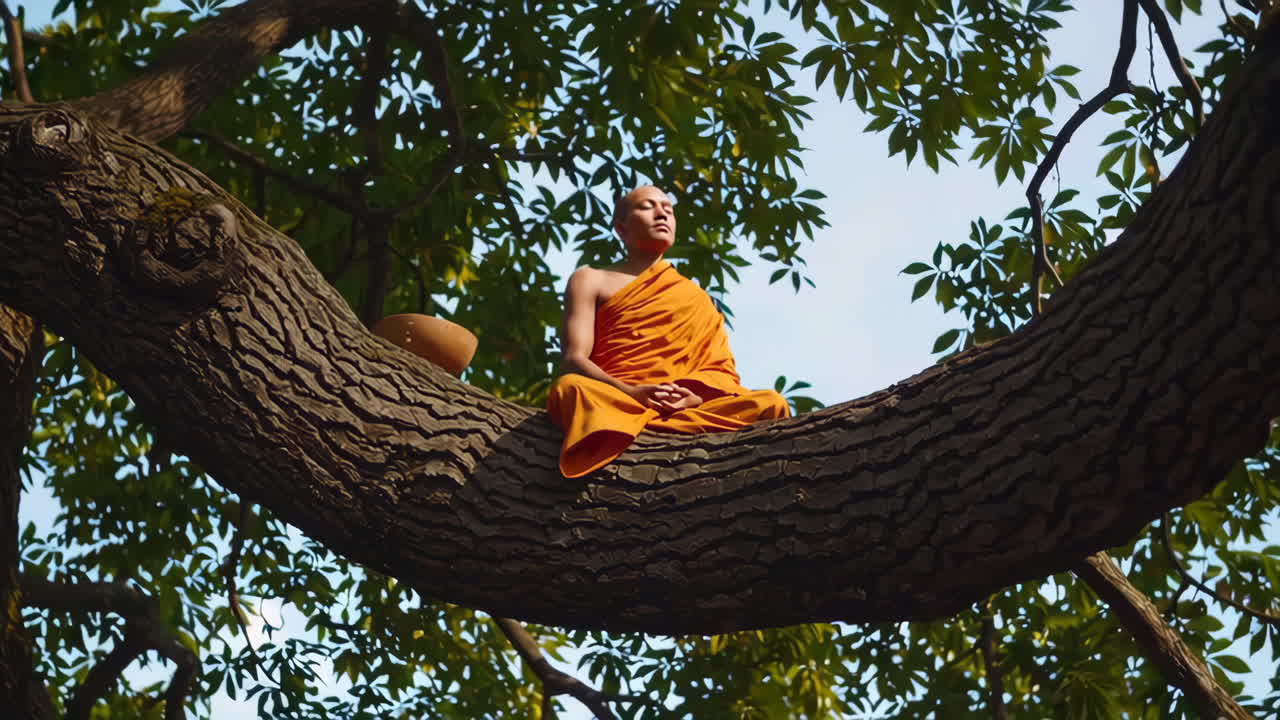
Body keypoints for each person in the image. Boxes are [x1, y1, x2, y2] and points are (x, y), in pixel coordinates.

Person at [546, 185, 790, 478]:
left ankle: (659, 428)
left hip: (687, 407)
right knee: (570, 388)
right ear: (621, 229)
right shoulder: (591, 279)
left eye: (668, 209)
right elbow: (574, 358)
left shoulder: (696, 297)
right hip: (618, 399)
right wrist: (633, 393)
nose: (662, 212)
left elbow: (720, 372)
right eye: (647, 206)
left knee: (770, 403)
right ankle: (635, 430)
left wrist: (694, 399)